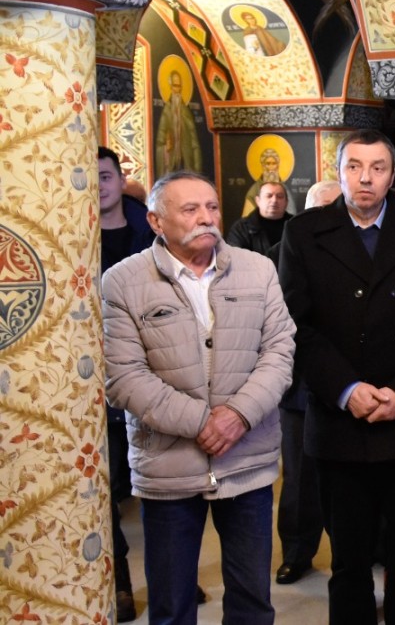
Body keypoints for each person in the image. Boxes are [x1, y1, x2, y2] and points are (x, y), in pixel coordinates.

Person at [279, 129, 395, 624]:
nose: (365, 178)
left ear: (392, 175)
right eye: (354, 166)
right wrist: (346, 389)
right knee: (348, 560)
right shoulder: (304, 233)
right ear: (339, 173)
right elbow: (297, 324)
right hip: (338, 420)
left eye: (377, 168)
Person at [102, 171, 295, 625]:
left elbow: (280, 350)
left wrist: (238, 415)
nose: (206, 218)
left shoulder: (258, 269)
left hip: (246, 459)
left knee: (252, 602)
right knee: (172, 606)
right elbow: (124, 376)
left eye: (211, 207)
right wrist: (202, 422)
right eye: (190, 209)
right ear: (156, 221)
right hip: (168, 466)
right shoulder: (123, 281)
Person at [271, 179, 342, 586]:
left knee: (353, 476)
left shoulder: (363, 251)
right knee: (299, 477)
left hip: (350, 385)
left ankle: (367, 548)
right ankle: (297, 552)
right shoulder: (276, 256)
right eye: (321, 208)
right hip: (299, 385)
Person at [98, 147, 157, 622]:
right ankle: (118, 581)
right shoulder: (69, 235)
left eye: (105, 176)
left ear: (120, 180)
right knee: (107, 486)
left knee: (161, 486)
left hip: (154, 376)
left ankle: (171, 576)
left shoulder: (151, 231)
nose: (98, 185)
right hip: (95, 381)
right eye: (89, 177)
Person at [227, 181, 291, 258]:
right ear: (258, 201)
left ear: (286, 202)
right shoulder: (241, 228)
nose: (274, 200)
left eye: (279, 196)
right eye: (269, 196)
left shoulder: (296, 226)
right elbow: (236, 259)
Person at [155, 70, 202, 175]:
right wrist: (166, 148)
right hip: (171, 165)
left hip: (185, 164)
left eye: (179, 86)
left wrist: (197, 172)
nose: (178, 90)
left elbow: (194, 143)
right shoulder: (166, 112)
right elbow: (159, 143)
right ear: (171, 87)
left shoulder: (186, 112)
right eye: (175, 86)